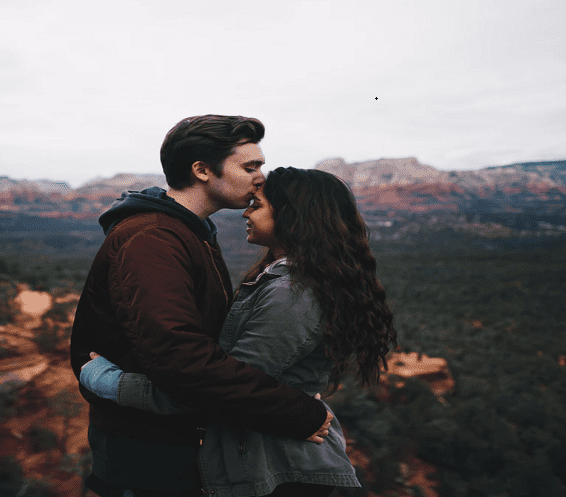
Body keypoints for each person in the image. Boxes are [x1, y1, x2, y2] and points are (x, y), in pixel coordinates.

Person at [80, 167, 397, 496]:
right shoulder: (286, 280)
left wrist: (113, 384)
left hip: (280, 471)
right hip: (273, 461)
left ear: (293, 216)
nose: (246, 211)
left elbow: (223, 388)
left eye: (257, 205)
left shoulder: (293, 293)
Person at [69, 116, 334, 497]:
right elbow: (182, 360)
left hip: (174, 445)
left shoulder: (189, 232)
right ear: (202, 170)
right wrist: (297, 411)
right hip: (148, 457)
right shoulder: (153, 239)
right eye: (250, 166)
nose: (261, 177)